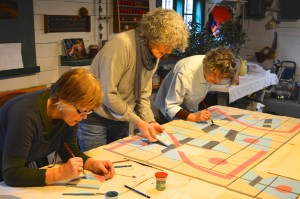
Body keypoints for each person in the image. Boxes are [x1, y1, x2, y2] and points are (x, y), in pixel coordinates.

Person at [78, 8, 189, 151]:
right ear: (154, 35)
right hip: (95, 120)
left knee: (119, 163)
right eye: (167, 45)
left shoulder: (151, 56)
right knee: (96, 167)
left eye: (172, 47)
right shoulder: (122, 45)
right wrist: (137, 121)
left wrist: (149, 120)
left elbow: (143, 94)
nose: (168, 51)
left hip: (121, 118)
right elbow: (107, 94)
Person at [0, 68, 115, 186]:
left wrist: (92, 164)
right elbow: (11, 174)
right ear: (62, 99)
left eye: (88, 112)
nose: (84, 117)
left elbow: (69, 149)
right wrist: (59, 173)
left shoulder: (66, 113)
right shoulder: (25, 115)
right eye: (82, 111)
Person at [154, 47, 237, 124]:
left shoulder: (216, 67)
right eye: (214, 75)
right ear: (207, 67)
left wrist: (194, 115)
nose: (217, 80)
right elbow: (171, 106)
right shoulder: (185, 72)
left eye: (222, 77)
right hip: (169, 110)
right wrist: (193, 117)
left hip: (189, 107)